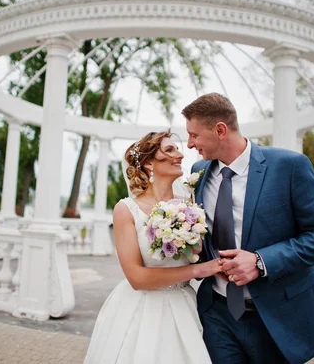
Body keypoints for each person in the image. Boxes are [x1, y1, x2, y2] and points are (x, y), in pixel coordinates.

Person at [182, 92, 314, 364]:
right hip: (217, 315)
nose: (189, 144)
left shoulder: (289, 166)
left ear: (220, 130)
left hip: (275, 318)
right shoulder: (199, 171)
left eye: (194, 135)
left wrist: (260, 261)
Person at [84, 131, 222, 364]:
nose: (179, 154)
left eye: (177, 149)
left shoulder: (190, 204)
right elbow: (136, 278)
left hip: (184, 305)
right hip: (142, 308)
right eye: (169, 150)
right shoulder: (126, 210)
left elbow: (197, 253)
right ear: (149, 163)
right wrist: (199, 270)